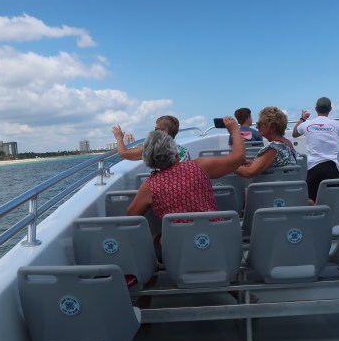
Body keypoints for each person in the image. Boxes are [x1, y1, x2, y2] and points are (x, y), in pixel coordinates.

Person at [126, 116, 245, 248]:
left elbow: (131, 217)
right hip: (214, 239)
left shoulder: (148, 186)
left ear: (148, 159)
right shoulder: (200, 166)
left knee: (154, 238)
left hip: (177, 248)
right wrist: (234, 130)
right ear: (176, 154)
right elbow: (238, 158)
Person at [292, 97, 339, 203]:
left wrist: (302, 119)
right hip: (333, 168)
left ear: (316, 109)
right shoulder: (338, 125)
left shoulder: (306, 124)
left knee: (310, 199)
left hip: (313, 168)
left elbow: (294, 134)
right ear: (330, 109)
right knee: (334, 200)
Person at [235, 106, 297, 178]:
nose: (256, 127)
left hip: (273, 187)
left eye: (260, 124)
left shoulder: (273, 148)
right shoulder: (287, 143)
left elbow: (249, 172)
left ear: (272, 127)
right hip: (286, 186)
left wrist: (229, 166)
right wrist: (253, 163)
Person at [112, 115, 190, 162]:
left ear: (165, 132)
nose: (154, 131)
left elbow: (123, 154)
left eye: (156, 129)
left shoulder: (154, 151)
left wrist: (119, 137)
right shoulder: (184, 151)